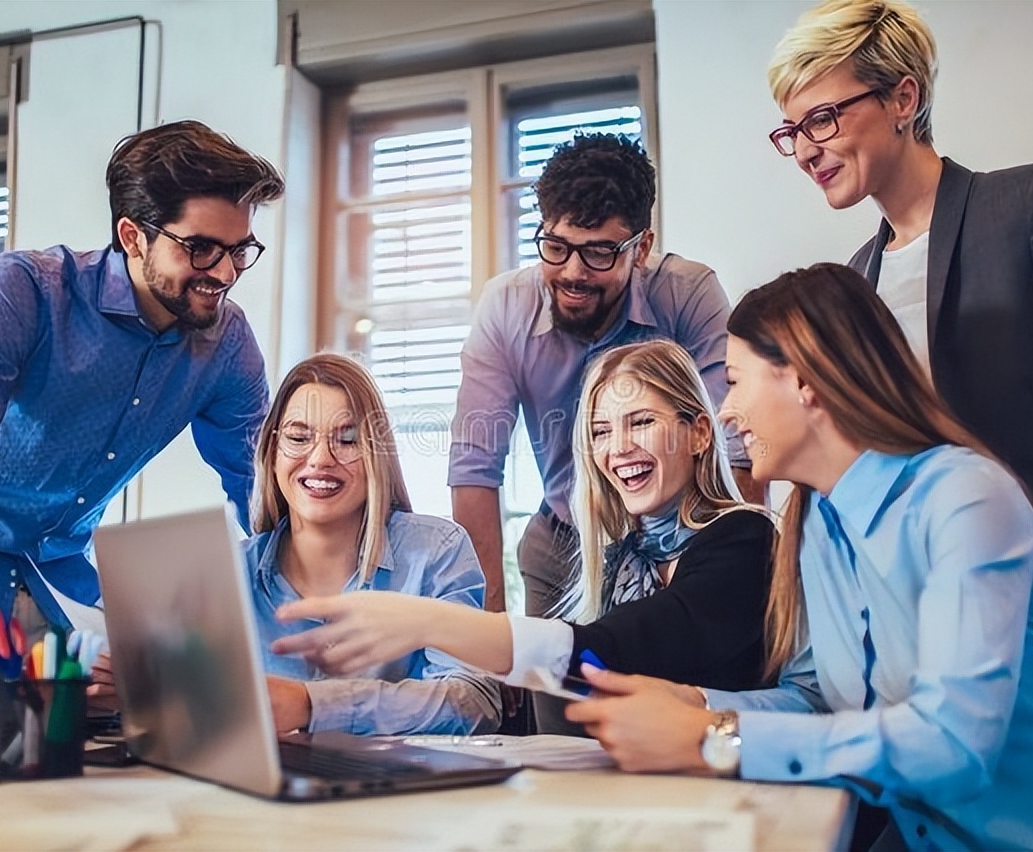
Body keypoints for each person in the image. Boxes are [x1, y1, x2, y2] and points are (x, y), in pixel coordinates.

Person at [558, 264, 1033, 852]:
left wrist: (716, 735)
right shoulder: (816, 520)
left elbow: (954, 745)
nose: (729, 412)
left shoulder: (964, 498)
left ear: (806, 383)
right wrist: (697, 703)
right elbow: (816, 698)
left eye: (737, 382)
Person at [764, 0, 1033, 832]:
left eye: (822, 118)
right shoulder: (854, 282)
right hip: (965, 641)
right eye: (789, 130)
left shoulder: (1029, 206)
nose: (804, 149)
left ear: (903, 99)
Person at [0, 120, 282, 666]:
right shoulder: (24, 293)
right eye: (202, 248)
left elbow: (264, 495)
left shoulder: (227, 345)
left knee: (95, 729)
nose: (227, 272)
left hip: (56, 579)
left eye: (240, 249)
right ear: (134, 236)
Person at [267, 340, 775, 709]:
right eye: (600, 431)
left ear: (699, 434)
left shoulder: (745, 539)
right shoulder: (622, 561)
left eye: (640, 421)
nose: (618, 449)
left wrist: (427, 622)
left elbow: (619, 647)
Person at [448, 133, 757, 618]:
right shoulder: (506, 307)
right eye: (556, 246)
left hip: (680, 540)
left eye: (599, 253)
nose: (573, 272)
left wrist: (735, 560)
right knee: (551, 686)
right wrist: (488, 630)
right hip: (562, 543)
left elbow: (736, 445)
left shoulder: (688, 293)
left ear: (641, 247)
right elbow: (474, 468)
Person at [246, 353, 499, 736]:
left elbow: (472, 701)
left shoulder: (436, 552)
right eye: (299, 438)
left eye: (348, 440)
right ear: (272, 452)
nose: (320, 460)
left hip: (398, 786)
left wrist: (313, 706)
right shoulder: (229, 570)